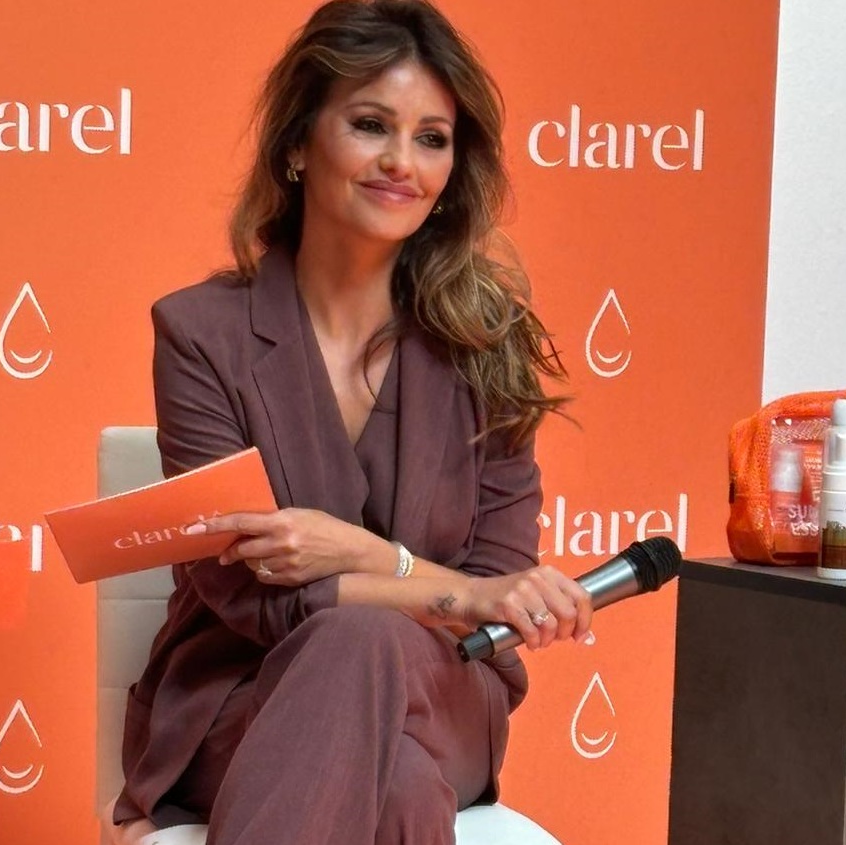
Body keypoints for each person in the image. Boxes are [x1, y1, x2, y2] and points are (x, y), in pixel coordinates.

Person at [111, 1, 592, 842]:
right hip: (245, 694)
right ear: (298, 144)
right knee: (397, 778)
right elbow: (247, 595)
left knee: (362, 639)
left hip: (444, 684)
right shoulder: (200, 334)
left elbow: (496, 598)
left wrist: (368, 557)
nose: (402, 162)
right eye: (371, 125)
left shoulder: (489, 346)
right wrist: (447, 587)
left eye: (432, 138)